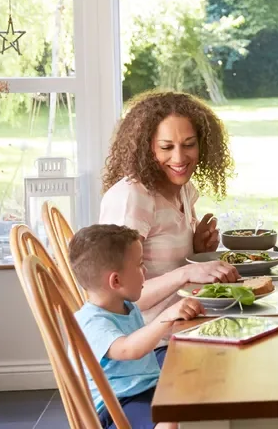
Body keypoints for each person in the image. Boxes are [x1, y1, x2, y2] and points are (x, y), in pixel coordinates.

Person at [100, 91, 239, 331]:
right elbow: (115, 298)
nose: (179, 158)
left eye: (189, 145)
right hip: (147, 346)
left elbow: (164, 266)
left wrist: (197, 250)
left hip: (186, 325)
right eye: (166, 147)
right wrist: (187, 271)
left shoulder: (182, 188)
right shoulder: (133, 198)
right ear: (146, 148)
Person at [70, 224, 205, 429]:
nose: (145, 270)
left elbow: (141, 340)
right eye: (140, 264)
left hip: (144, 388)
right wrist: (167, 317)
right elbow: (128, 349)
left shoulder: (125, 306)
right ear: (116, 280)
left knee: (194, 383)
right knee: (171, 418)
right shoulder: (91, 323)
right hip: (117, 405)